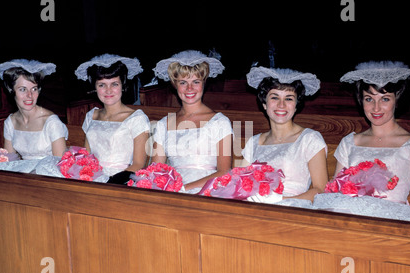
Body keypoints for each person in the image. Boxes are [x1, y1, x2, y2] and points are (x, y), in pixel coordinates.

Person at [313, 61, 410, 222]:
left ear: (397, 100)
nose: (376, 108)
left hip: (391, 225)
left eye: (385, 99)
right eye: (369, 99)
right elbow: (335, 194)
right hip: (349, 221)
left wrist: (391, 215)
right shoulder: (350, 142)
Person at [242, 66, 328, 203]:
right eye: (275, 97)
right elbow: (239, 184)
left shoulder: (309, 139)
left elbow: (320, 189)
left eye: (288, 99)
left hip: (292, 208)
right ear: (264, 103)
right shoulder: (253, 142)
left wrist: (281, 202)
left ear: (296, 105)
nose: (281, 105)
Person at [151, 50, 233, 194]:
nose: (190, 88)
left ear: (204, 83)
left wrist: (183, 189)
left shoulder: (220, 122)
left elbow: (224, 172)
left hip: (209, 191)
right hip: (171, 191)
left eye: (196, 82)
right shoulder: (164, 124)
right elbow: (156, 170)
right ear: (175, 85)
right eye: (183, 82)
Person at [74, 54, 150, 180]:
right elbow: (87, 156)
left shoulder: (136, 118)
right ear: (95, 87)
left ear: (123, 85)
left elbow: (138, 164)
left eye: (114, 84)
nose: (108, 91)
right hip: (93, 176)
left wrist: (112, 181)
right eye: (102, 85)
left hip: (122, 179)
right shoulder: (91, 115)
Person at [0, 59, 68, 160]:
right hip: (23, 173)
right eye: (23, 89)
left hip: (49, 173)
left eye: (34, 89)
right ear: (11, 90)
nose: (30, 95)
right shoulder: (10, 122)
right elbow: (9, 160)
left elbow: (61, 164)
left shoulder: (51, 122)